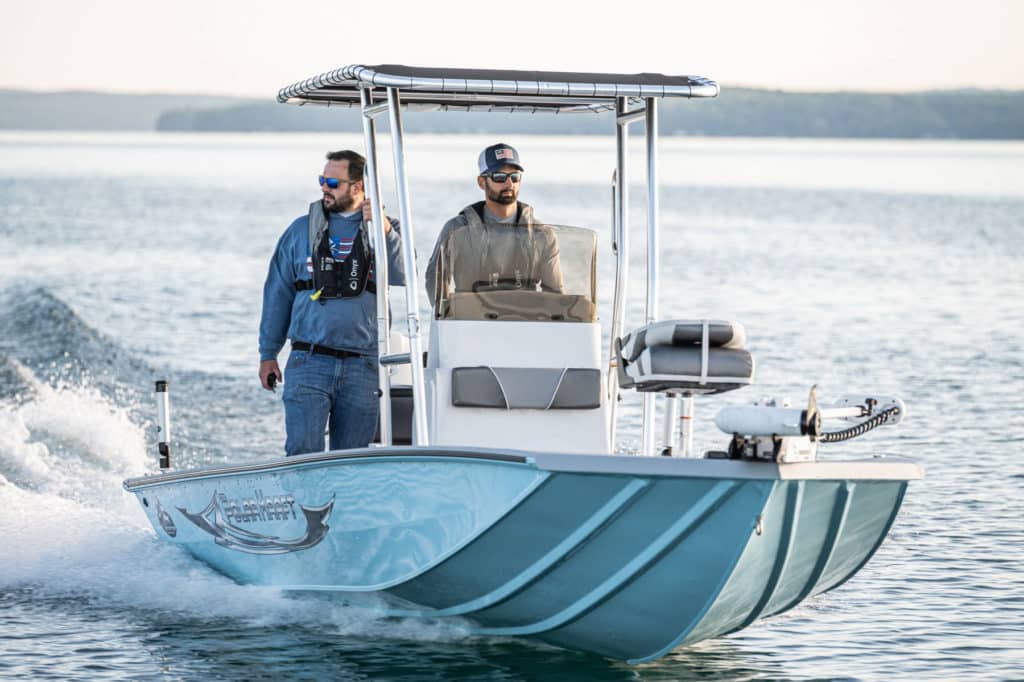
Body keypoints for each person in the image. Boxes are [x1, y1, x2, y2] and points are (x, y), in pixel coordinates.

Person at [259, 150, 405, 456]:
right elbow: (278, 293)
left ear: (357, 187)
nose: (325, 187)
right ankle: (306, 505)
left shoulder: (385, 230)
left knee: (351, 461)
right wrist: (268, 352)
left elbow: (405, 274)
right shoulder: (299, 231)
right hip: (309, 360)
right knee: (303, 451)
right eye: (322, 180)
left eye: (333, 182)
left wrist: (385, 230)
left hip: (362, 365)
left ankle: (344, 506)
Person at [425, 143, 563, 309]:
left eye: (514, 177)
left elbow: (555, 294)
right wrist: (447, 314)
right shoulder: (456, 229)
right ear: (482, 182)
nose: (508, 183)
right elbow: (435, 277)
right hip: (470, 325)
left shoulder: (542, 234)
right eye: (499, 176)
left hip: (526, 325)